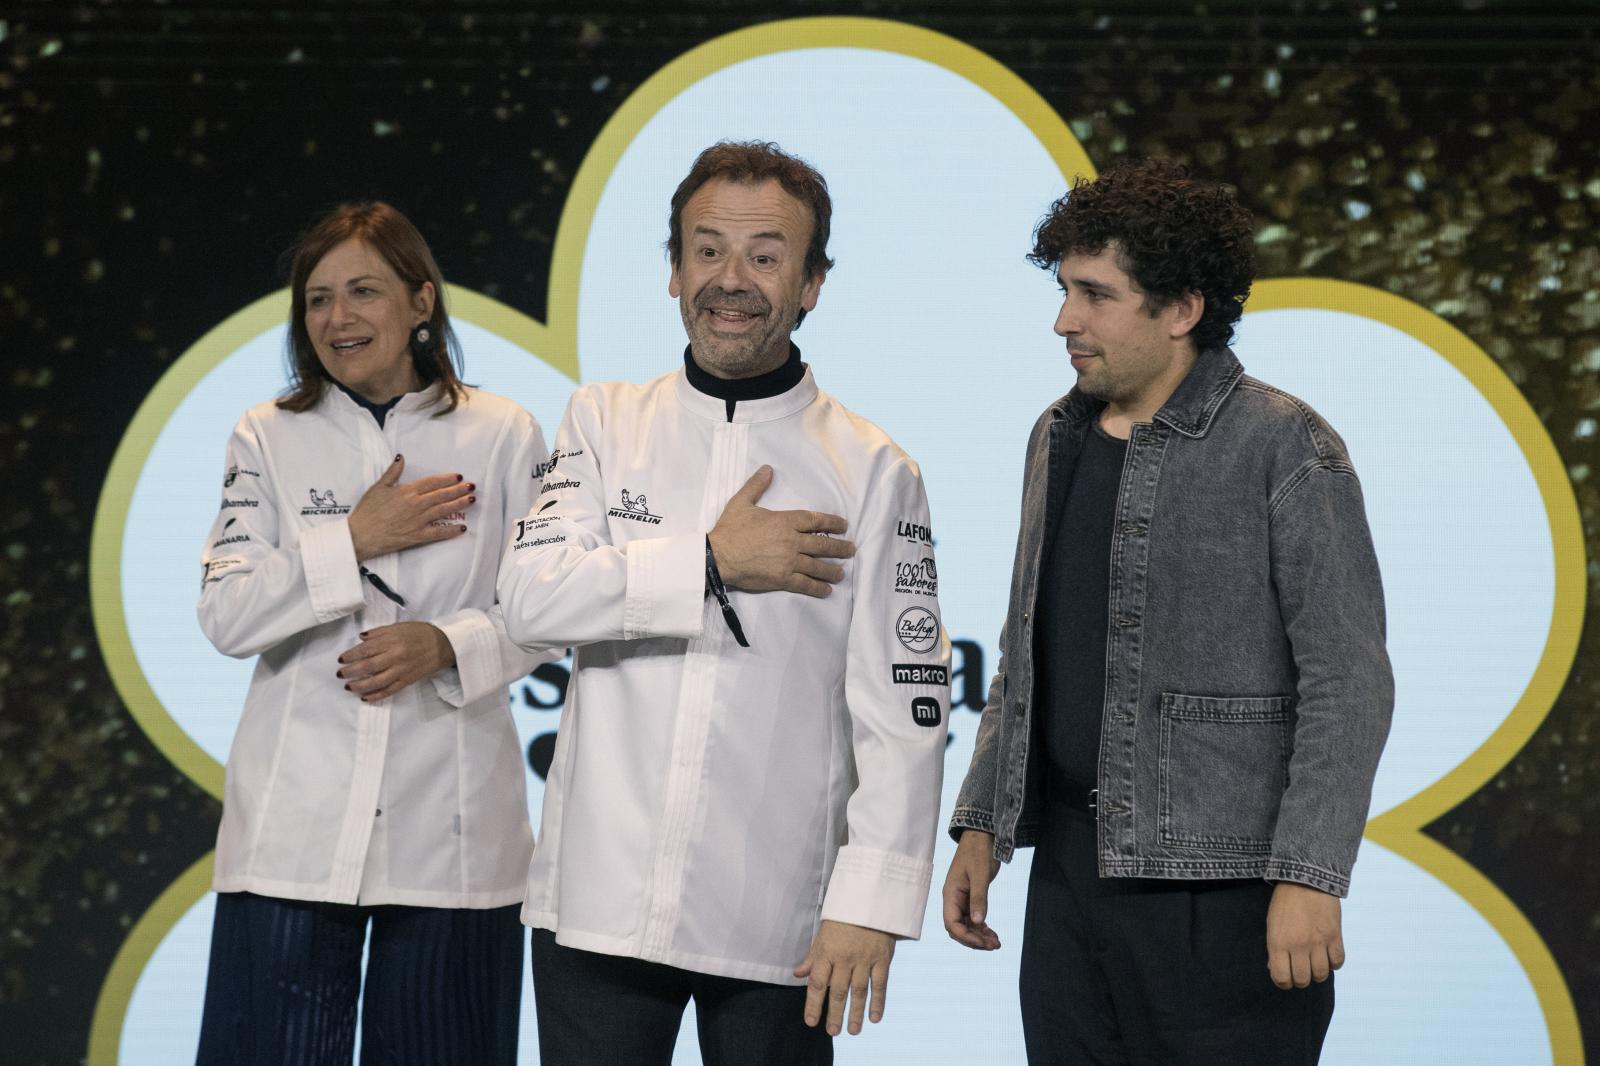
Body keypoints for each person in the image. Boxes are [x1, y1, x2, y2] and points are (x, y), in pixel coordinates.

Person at [497, 141, 950, 1065]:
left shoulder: (874, 468)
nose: (730, 280)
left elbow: (907, 707)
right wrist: (705, 562)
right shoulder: (602, 420)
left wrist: (870, 901)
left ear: (813, 283)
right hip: (597, 906)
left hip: (780, 917)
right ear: (672, 272)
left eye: (765, 255)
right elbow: (528, 603)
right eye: (706, 251)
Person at [942, 158, 1394, 1065]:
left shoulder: (1286, 445)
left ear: (1183, 309)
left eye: (1095, 294)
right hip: (1070, 885)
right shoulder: (1055, 434)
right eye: (1066, 289)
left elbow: (1349, 683)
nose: (1064, 319)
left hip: (1223, 892)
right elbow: (1026, 651)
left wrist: (1309, 875)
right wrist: (984, 820)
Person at [193, 201, 552, 1065]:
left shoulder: (504, 433)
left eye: (363, 291)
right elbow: (226, 614)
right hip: (291, 840)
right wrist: (353, 539)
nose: (337, 318)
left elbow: (550, 614)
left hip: (454, 841)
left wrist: (449, 646)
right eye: (316, 299)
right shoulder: (267, 436)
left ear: (421, 302)